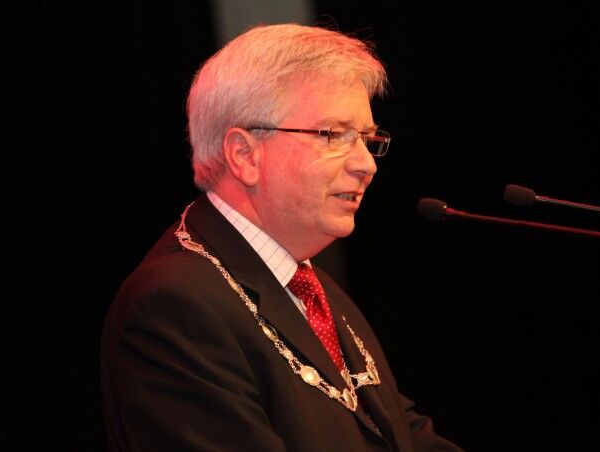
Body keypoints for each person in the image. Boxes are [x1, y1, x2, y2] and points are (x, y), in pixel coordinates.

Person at [101, 23, 463, 451]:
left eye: (367, 139)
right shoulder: (174, 307)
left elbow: (404, 435)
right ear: (244, 155)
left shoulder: (311, 286)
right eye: (333, 135)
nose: (367, 164)